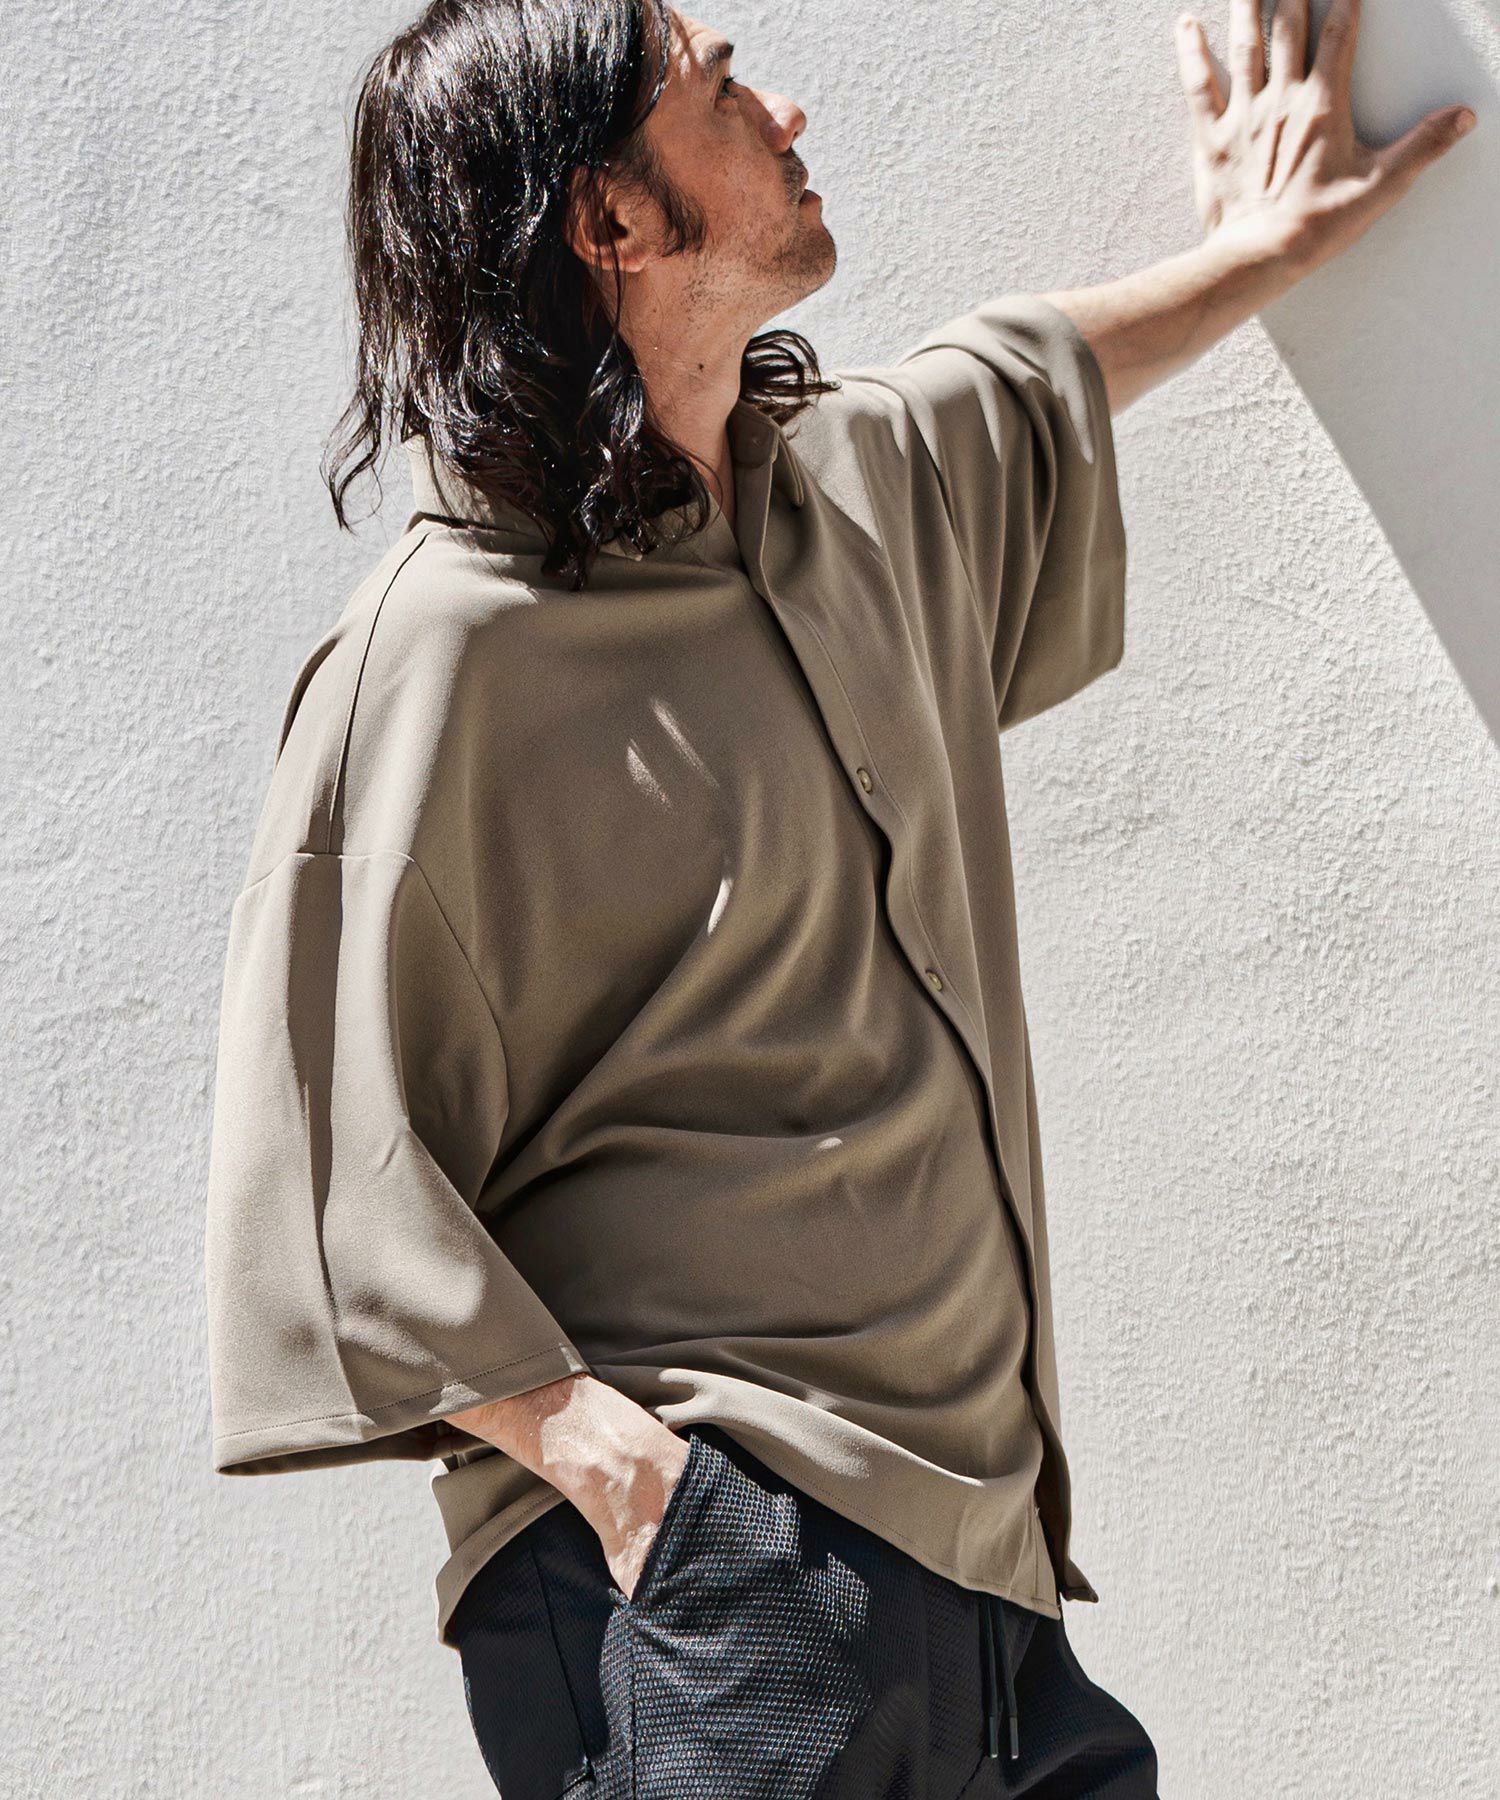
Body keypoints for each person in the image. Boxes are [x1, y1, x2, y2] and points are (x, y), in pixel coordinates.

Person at [202, 1, 1474, 1793]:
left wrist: (1261, 247)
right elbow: (331, 1166)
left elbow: (1027, 374)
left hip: (996, 1586)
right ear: (613, 218)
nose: (785, 109)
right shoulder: (445, 652)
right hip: (714, 1598)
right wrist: (634, 1485)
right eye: (721, 95)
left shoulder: (852, 493)